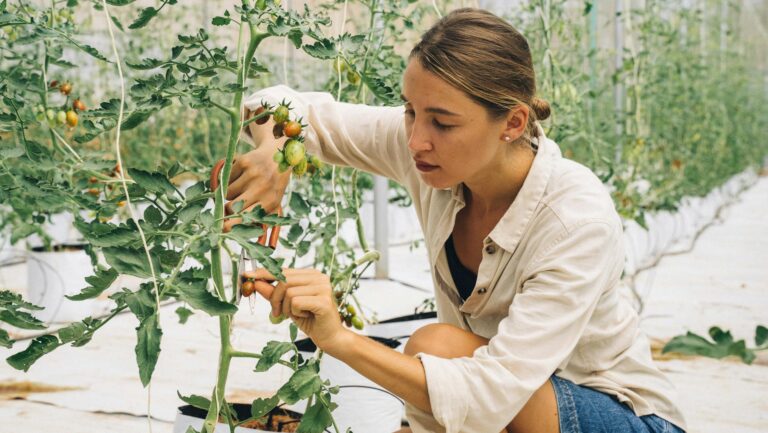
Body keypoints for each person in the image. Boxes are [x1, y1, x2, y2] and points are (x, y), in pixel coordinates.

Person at [226, 8, 687, 433]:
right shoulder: (427, 151)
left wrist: (339, 339)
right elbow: (278, 104)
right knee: (439, 362)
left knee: (438, 349)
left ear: (512, 122)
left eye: (442, 123)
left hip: (621, 415)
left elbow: (488, 397)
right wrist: (273, 155)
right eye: (410, 111)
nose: (415, 141)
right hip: (511, 403)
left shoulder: (574, 220)